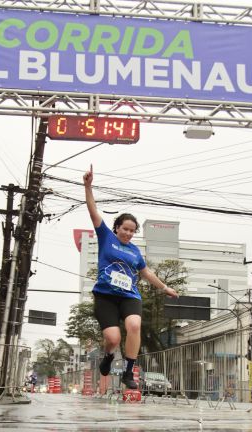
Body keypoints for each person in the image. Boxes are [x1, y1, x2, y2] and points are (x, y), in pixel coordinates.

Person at [83, 164, 178, 389]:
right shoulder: (106, 236)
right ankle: (108, 356)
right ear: (117, 228)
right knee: (114, 339)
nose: (128, 233)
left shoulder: (135, 252)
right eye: (125, 228)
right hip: (106, 296)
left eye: (132, 230)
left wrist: (165, 288)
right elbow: (92, 211)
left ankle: (128, 372)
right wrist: (88, 187)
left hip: (129, 296)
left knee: (134, 324)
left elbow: (146, 273)